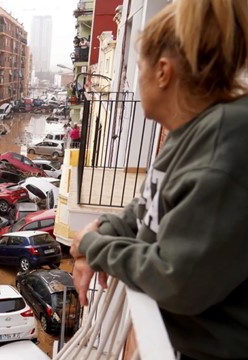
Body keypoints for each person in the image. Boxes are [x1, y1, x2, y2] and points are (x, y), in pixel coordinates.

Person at [70, 1, 248, 359]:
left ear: (163, 72)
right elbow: (147, 205)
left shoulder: (222, 147)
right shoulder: (190, 132)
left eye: (139, 67)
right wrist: (106, 228)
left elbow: (175, 278)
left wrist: (94, 247)